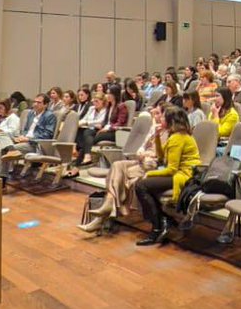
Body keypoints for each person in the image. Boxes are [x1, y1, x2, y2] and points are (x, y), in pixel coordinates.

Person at [80, 104, 167, 232]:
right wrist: (140, 152)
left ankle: (103, 214)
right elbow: (142, 146)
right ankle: (110, 205)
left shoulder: (171, 133)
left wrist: (148, 154)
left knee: (122, 174)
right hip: (142, 160)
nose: (156, 117)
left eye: (159, 114)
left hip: (154, 165)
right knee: (117, 165)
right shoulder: (154, 129)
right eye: (155, 114)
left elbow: (163, 156)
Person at [134, 106, 201, 246]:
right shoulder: (176, 136)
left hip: (184, 175)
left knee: (141, 185)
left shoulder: (178, 138)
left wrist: (149, 174)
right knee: (145, 185)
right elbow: (162, 156)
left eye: (164, 117)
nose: (160, 119)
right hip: (179, 172)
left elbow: (171, 169)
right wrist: (157, 137)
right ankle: (164, 220)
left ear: (171, 121)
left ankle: (157, 227)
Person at [0, 94, 58, 183]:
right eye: (34, 101)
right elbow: (26, 130)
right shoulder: (31, 113)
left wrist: (28, 139)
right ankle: (11, 149)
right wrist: (21, 137)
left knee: (4, 150)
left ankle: (1, 182)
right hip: (24, 140)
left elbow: (47, 135)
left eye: (39, 102)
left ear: (46, 105)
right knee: (2, 133)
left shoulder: (50, 116)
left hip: (35, 144)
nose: (35, 104)